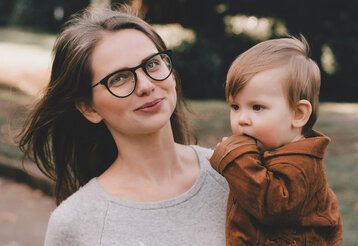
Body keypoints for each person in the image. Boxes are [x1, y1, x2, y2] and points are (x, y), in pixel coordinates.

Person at [18, 6, 228, 245]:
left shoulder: (234, 175)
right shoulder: (74, 223)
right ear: (89, 108)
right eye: (119, 78)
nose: (146, 85)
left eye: (152, 64)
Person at [209, 36, 342, 245]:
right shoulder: (267, 153)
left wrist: (234, 160)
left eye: (257, 107)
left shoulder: (300, 165)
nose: (242, 119)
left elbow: (273, 206)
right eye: (235, 107)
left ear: (298, 114)